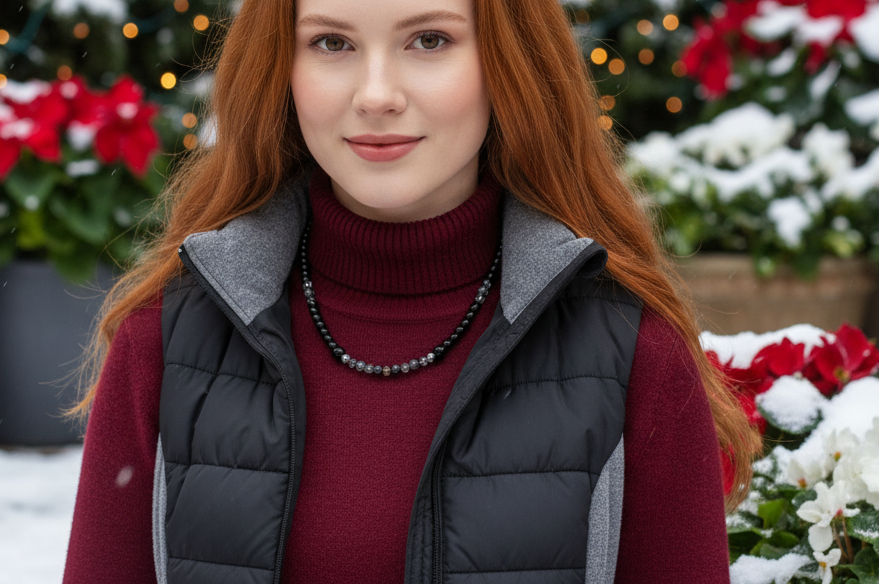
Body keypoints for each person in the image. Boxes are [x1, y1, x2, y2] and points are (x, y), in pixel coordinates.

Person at [63, 0, 762, 583]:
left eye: (429, 40)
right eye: (332, 42)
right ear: (281, 67)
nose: (376, 95)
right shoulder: (166, 341)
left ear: (508, 61)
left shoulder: (632, 354)